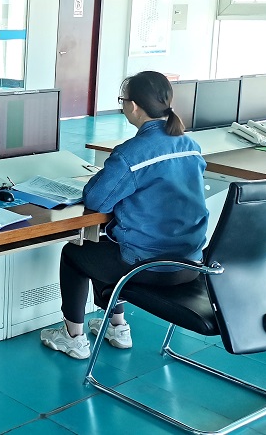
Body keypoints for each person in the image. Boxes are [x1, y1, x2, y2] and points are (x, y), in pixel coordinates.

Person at [41, 71, 209, 359]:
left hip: (151, 268)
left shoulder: (131, 154)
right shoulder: (190, 146)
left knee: (75, 253)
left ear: (133, 106)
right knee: (106, 243)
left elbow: (97, 200)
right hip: (190, 263)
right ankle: (116, 327)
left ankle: (73, 336)